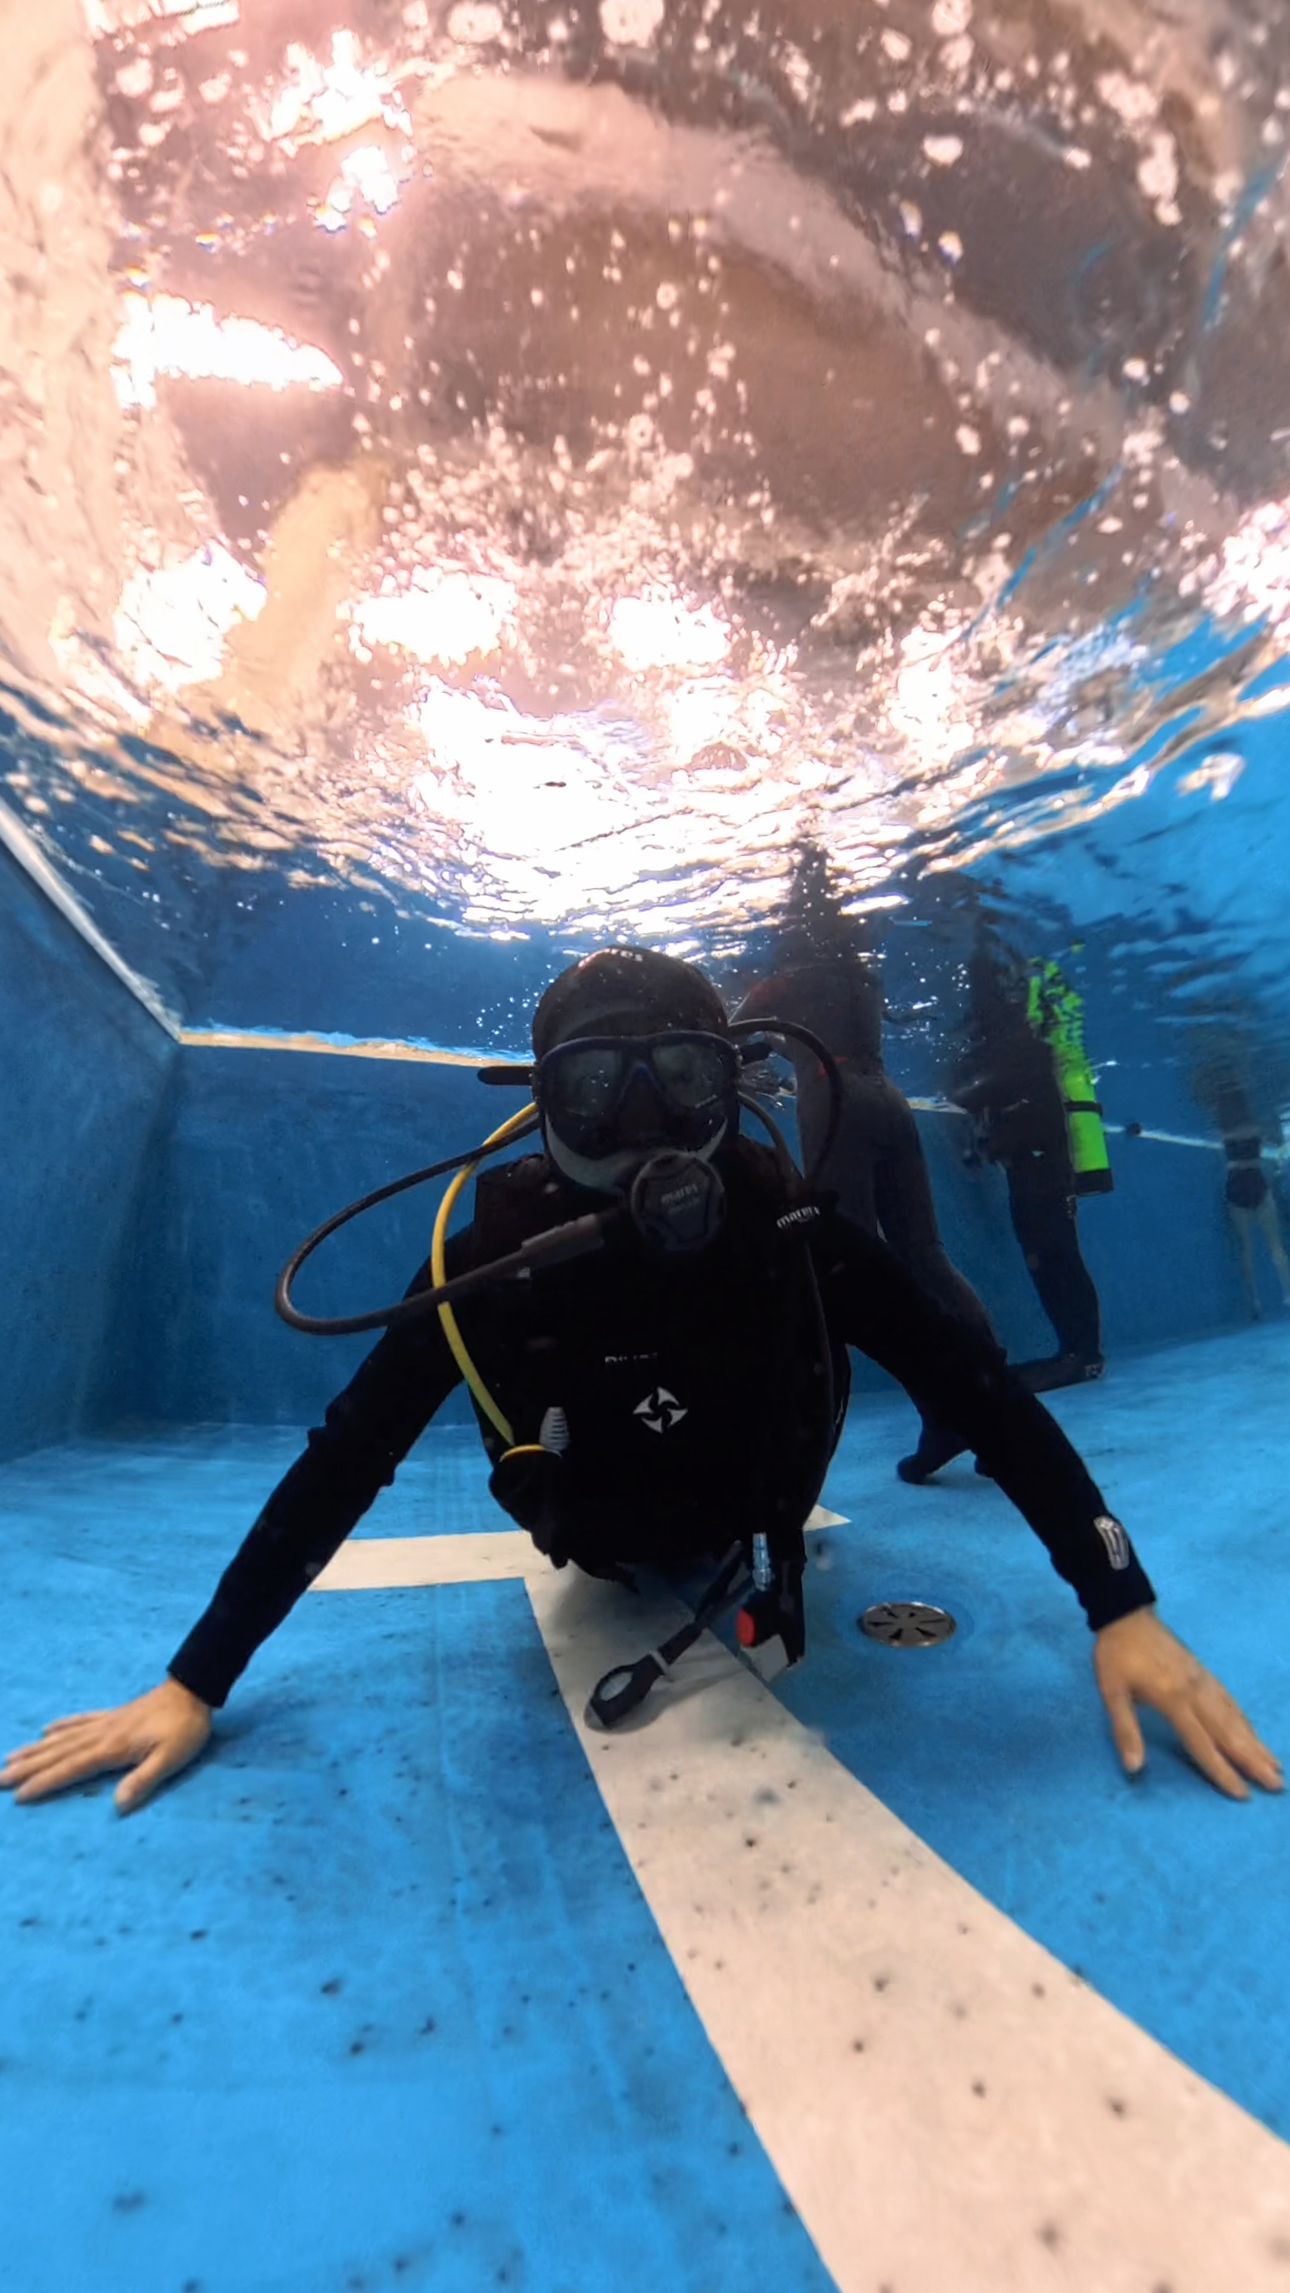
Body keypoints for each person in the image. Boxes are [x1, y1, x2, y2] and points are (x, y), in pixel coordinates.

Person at [2, 949, 1280, 1814]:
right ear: (547, 1107)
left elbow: (986, 1394)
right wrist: (193, 1680)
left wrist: (1123, 1601)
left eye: (683, 1081)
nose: (647, 1131)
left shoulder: (792, 1232)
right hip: (599, 1552)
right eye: (597, 1091)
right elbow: (344, 1457)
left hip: (756, 1515)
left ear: (731, 1091)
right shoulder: (492, 1258)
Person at [732, 857, 1000, 1487]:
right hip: (888, 1097)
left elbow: (725, 1034)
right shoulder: (860, 969)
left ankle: (942, 1414)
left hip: (834, 1099)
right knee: (925, 1255)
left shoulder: (788, 974)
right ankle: (993, 1407)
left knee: (856, 1266)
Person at [952, 933, 1106, 1391]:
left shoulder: (1014, 1036)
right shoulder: (1018, 1034)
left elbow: (977, 1089)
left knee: (1055, 1255)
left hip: (1040, 1164)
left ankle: (1083, 1353)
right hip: (1034, 1163)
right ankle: (1078, 1351)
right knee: (1050, 1256)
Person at [1215, 1084, 1290, 1319]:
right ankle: (1288, 1293)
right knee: (1276, 1247)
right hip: (1257, 1181)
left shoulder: (1223, 1130)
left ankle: (1253, 1300)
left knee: (1245, 1248)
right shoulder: (1256, 1126)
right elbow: (1278, 1145)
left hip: (1236, 1184)